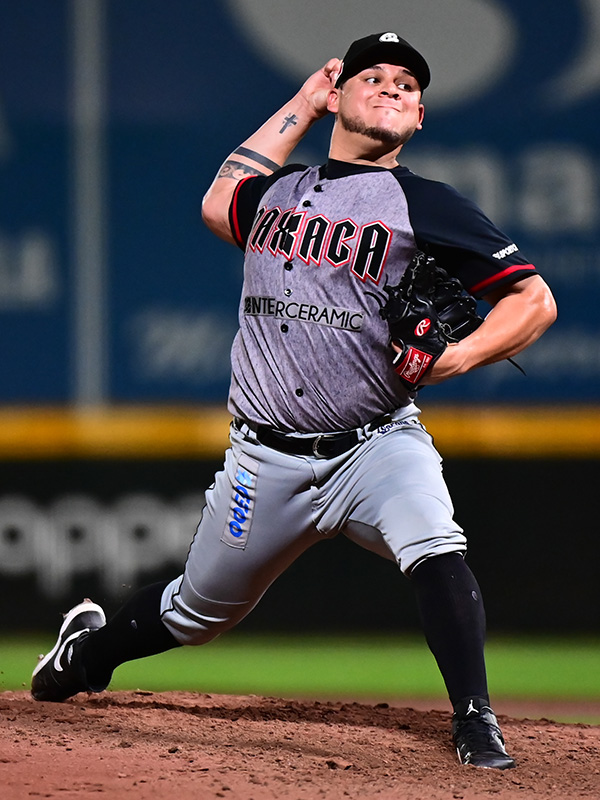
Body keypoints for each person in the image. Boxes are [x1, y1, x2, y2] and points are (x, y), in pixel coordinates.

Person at [31, 32, 556, 770]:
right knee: (194, 613)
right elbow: (219, 202)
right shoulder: (280, 192)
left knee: (435, 543)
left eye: (407, 86)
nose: (392, 90)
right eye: (373, 77)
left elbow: (534, 300)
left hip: (377, 443)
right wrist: (303, 105)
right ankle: (87, 654)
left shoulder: (428, 205)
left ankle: (476, 719)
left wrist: (459, 356)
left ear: (421, 117)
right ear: (338, 93)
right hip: (265, 457)